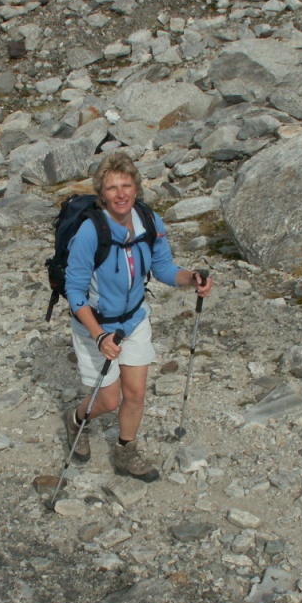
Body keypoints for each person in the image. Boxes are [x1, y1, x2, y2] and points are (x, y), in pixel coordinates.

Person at [62, 151, 213, 482]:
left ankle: (126, 451)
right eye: (112, 187)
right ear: (102, 194)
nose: (120, 194)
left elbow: (163, 268)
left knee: (135, 394)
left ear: (136, 187)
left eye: (126, 185)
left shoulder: (149, 221)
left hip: (133, 319)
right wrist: (99, 335)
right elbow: (74, 291)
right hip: (96, 325)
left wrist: (191, 278)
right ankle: (75, 419)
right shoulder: (90, 232)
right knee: (108, 400)